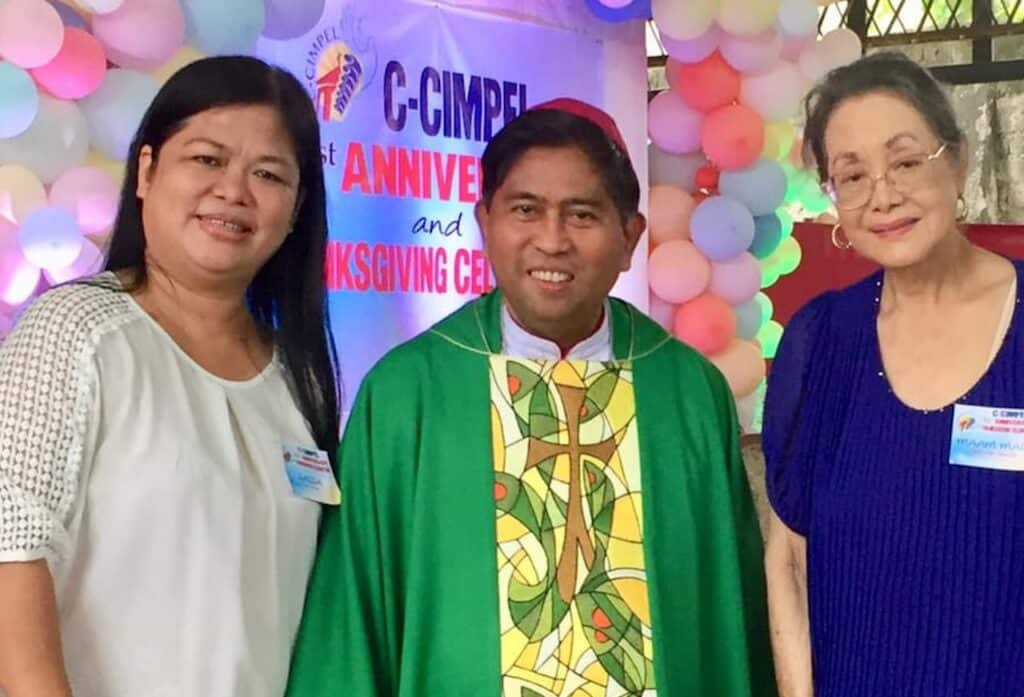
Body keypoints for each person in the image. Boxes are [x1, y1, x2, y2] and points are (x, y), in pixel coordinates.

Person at [286, 98, 775, 697]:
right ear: (484, 222)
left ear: (629, 238)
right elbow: (352, 616)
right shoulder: (408, 394)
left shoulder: (685, 392)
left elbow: (733, 613)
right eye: (526, 210)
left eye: (583, 215)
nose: (552, 240)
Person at [0, 56, 341, 697]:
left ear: (296, 210)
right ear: (148, 171)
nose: (234, 192)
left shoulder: (302, 380)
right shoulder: (74, 331)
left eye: (268, 174)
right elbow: (10, 553)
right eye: (207, 160)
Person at [763, 51, 1024, 697]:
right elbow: (790, 562)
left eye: (906, 161)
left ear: (957, 161)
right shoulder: (820, 341)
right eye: (851, 176)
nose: (883, 195)